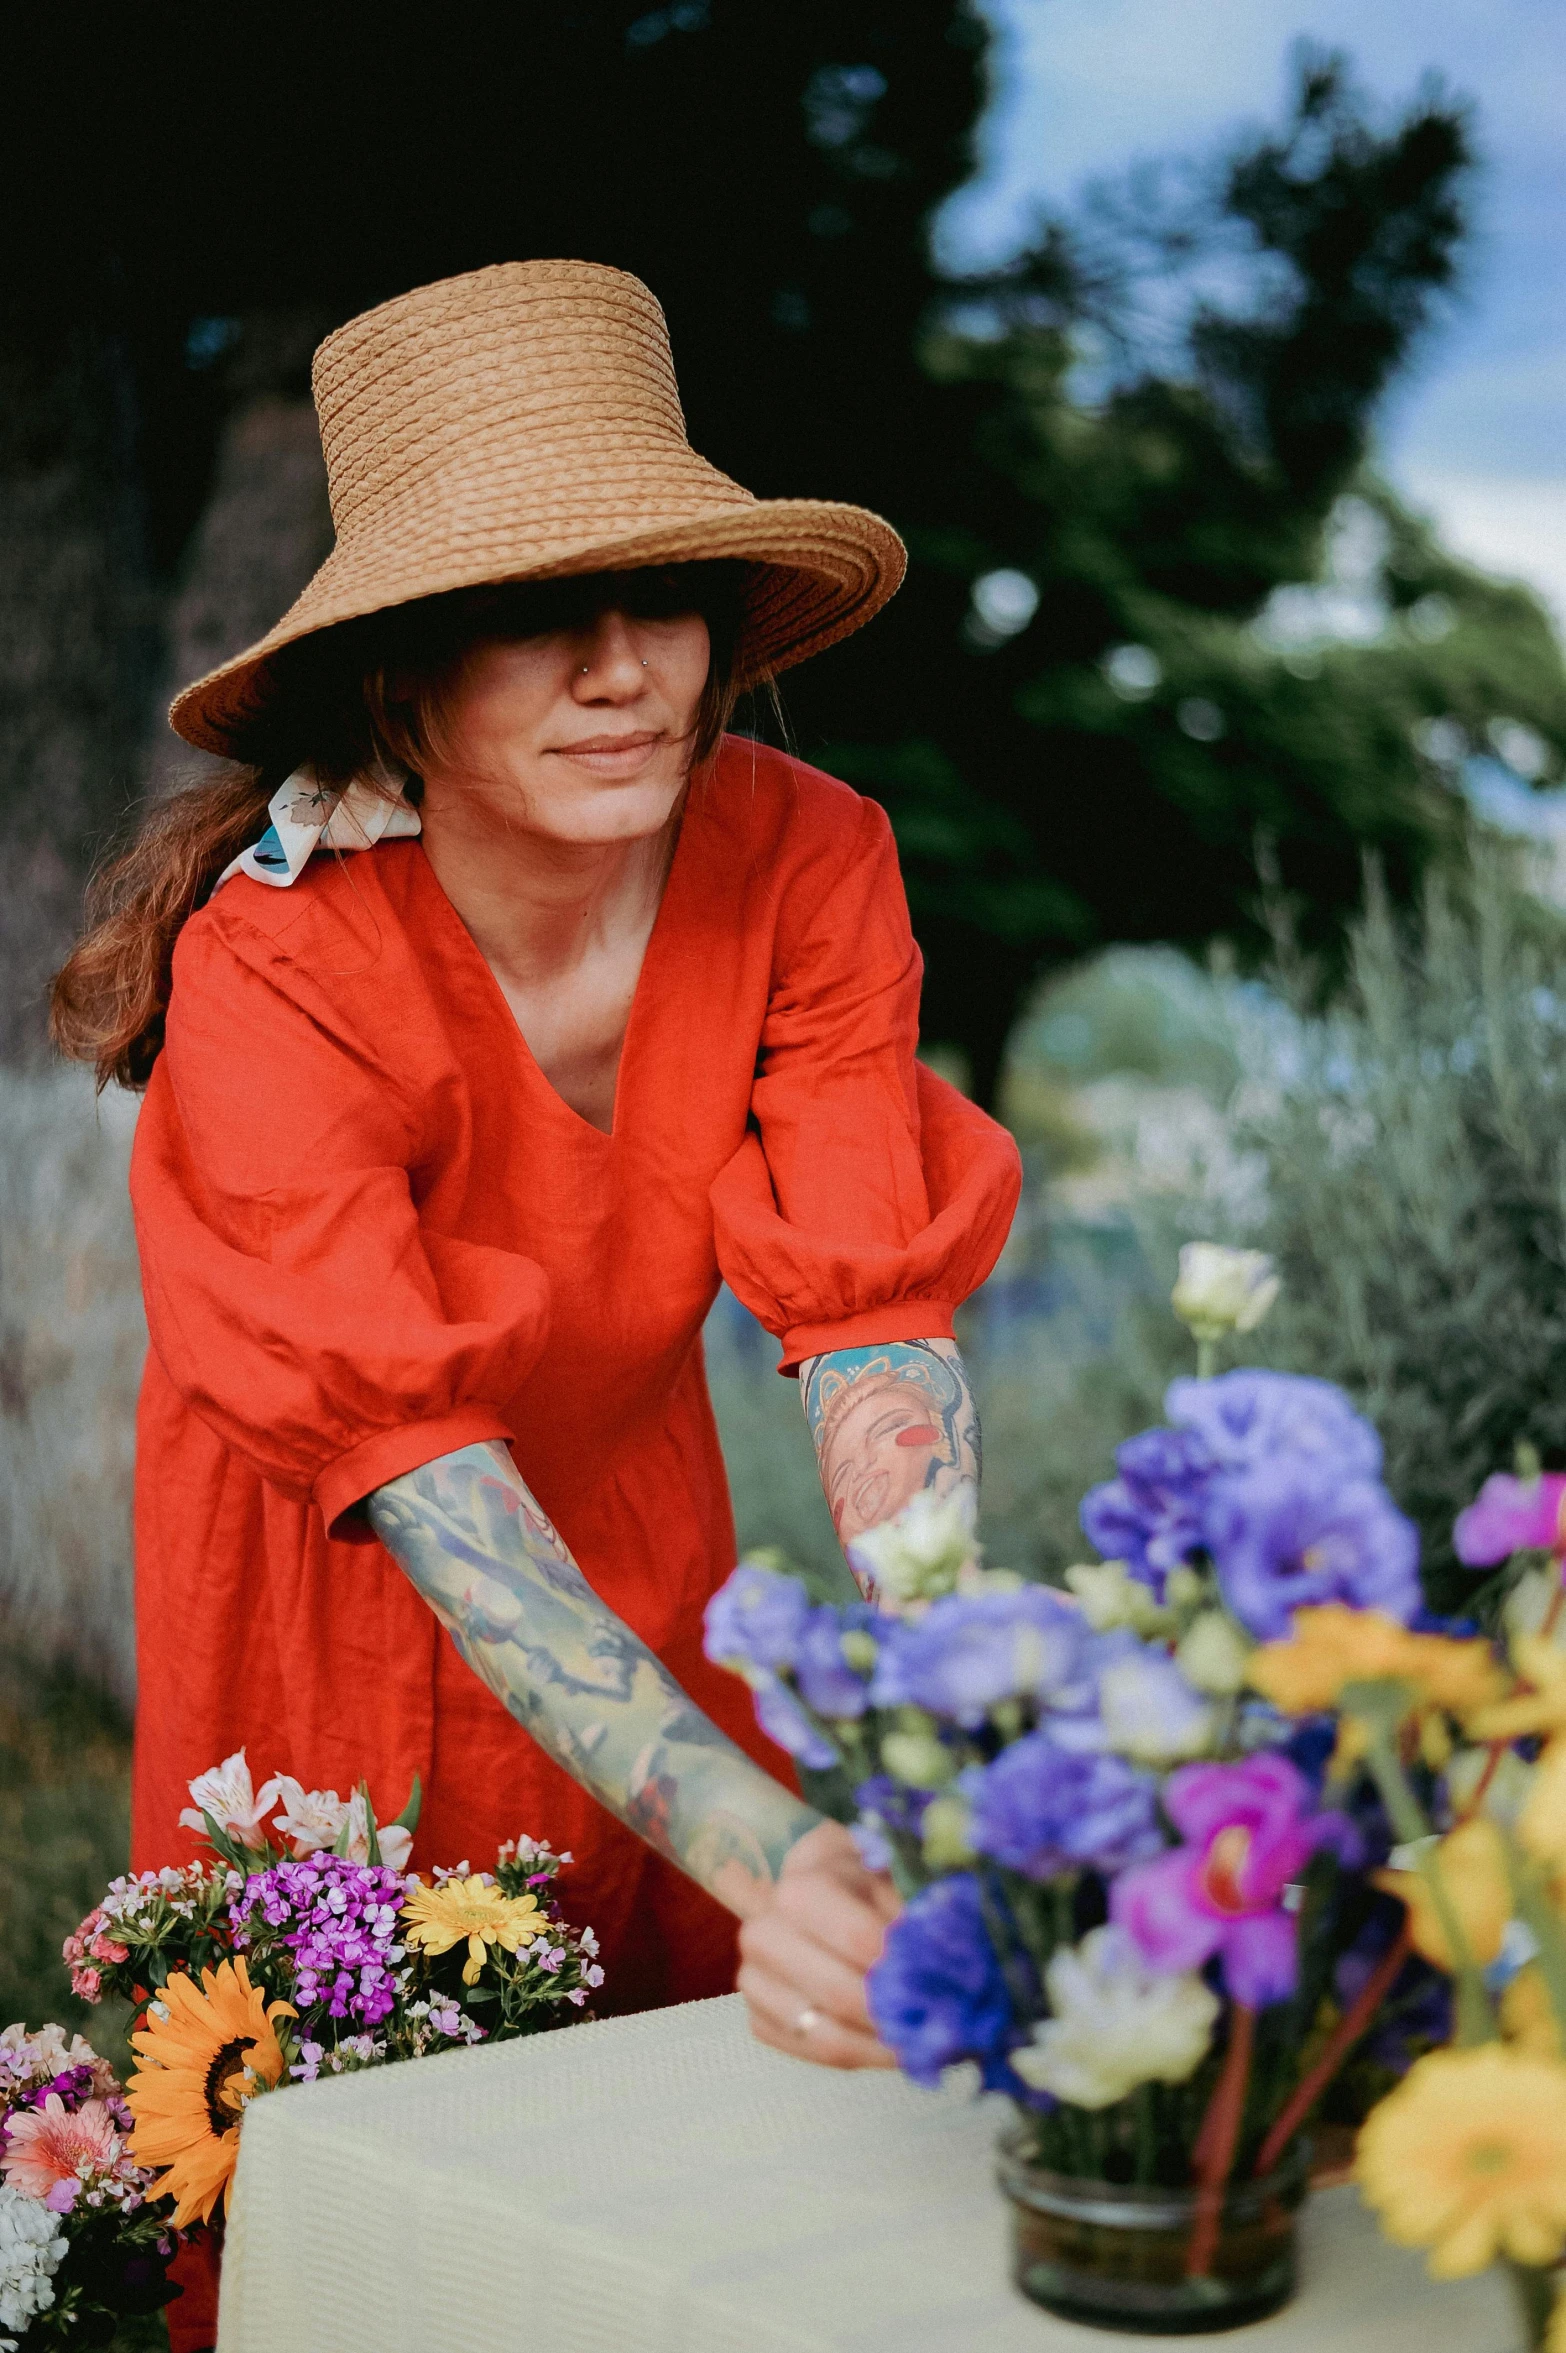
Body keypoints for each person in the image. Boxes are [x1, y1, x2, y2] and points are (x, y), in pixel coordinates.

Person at [53, 259, 1019, 2096]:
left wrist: (969, 1691)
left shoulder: (809, 856)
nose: (619, 668)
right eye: (532, 615)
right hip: (342, 1582)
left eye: (663, 596)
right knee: (368, 2121)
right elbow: (409, 1464)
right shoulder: (276, 970)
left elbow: (868, 1300)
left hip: (642, 1530)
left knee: (699, 2093)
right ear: (395, 668)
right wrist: (770, 1844)